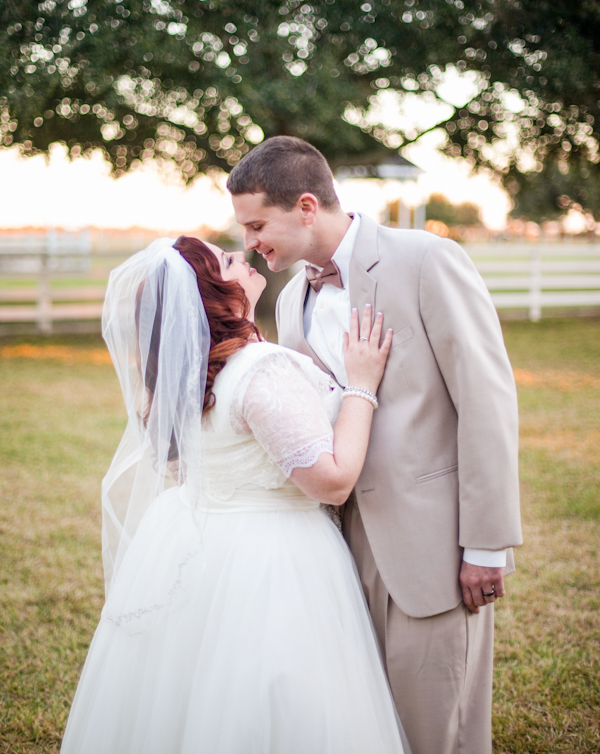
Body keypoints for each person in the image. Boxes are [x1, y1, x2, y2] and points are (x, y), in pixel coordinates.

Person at [227, 135, 523, 754]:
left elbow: (486, 399)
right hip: (337, 544)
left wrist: (487, 544)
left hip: (433, 544)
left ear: (306, 206)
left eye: (257, 225)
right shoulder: (294, 297)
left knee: (440, 726)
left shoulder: (426, 260)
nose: (250, 243)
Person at [60, 235, 411, 754]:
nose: (243, 256)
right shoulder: (260, 371)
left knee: (191, 692)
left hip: (196, 546)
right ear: (212, 294)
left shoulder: (186, 380)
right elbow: (333, 482)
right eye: (227, 260)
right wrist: (361, 384)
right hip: (275, 558)